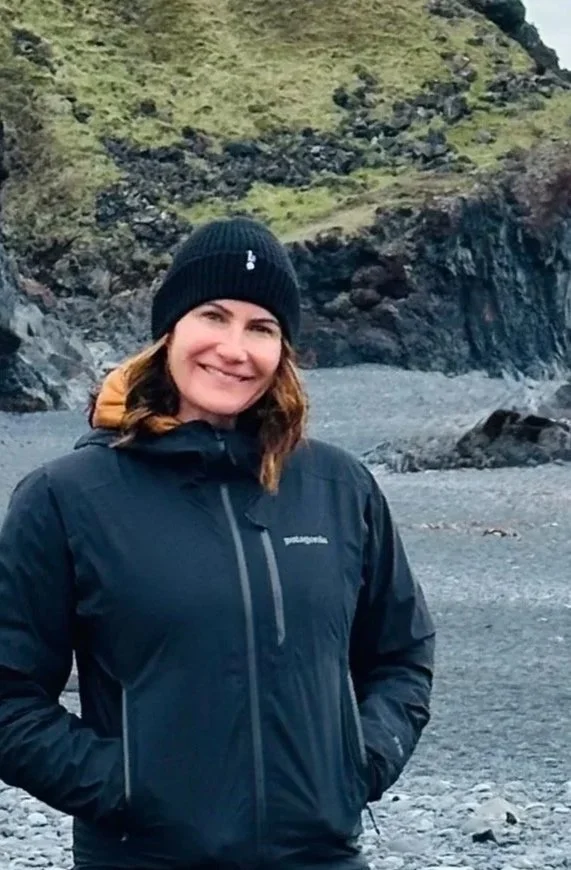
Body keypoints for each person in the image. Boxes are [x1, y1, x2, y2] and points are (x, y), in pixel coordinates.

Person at [0, 217, 435, 870]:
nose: (234, 348)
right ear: (169, 329)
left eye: (261, 328)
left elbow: (401, 654)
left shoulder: (339, 487)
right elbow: (8, 696)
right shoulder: (67, 498)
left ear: (281, 349)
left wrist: (359, 761)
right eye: (213, 315)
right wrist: (124, 785)